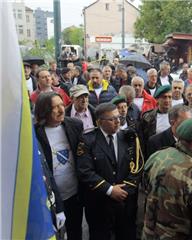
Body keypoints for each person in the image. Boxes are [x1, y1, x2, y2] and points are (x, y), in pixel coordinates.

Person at [77, 103, 143, 240]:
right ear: (100, 122)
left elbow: (137, 167)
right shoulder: (88, 140)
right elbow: (85, 171)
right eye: (112, 119)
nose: (118, 121)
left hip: (125, 202)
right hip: (99, 203)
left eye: (118, 117)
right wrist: (110, 190)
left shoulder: (127, 137)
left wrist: (124, 191)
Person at [34, 92, 84, 240]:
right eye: (55, 107)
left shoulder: (75, 125)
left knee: (76, 231)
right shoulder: (36, 133)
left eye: (62, 105)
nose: (61, 110)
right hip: (52, 198)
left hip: (74, 194)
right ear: (44, 110)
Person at [141, 85, 172, 150]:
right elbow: (144, 140)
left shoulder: (176, 115)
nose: (167, 100)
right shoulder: (148, 117)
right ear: (157, 99)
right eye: (164, 97)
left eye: (170, 97)